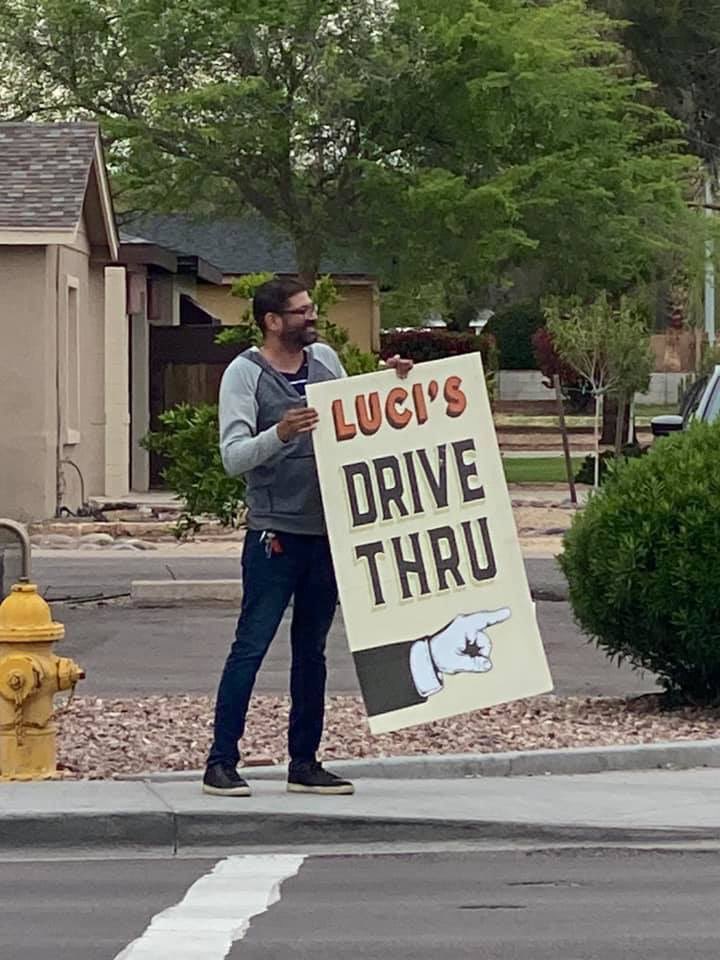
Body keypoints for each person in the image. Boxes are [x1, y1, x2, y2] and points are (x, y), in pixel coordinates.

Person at [203, 277, 412, 797]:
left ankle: (305, 761)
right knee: (251, 646)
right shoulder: (244, 375)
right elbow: (232, 457)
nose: (310, 318)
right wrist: (281, 433)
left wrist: (393, 387)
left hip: (326, 533)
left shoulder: (326, 361)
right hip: (274, 532)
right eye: (300, 312)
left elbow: (354, 420)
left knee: (312, 651)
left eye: (310, 310)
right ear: (273, 321)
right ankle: (221, 761)